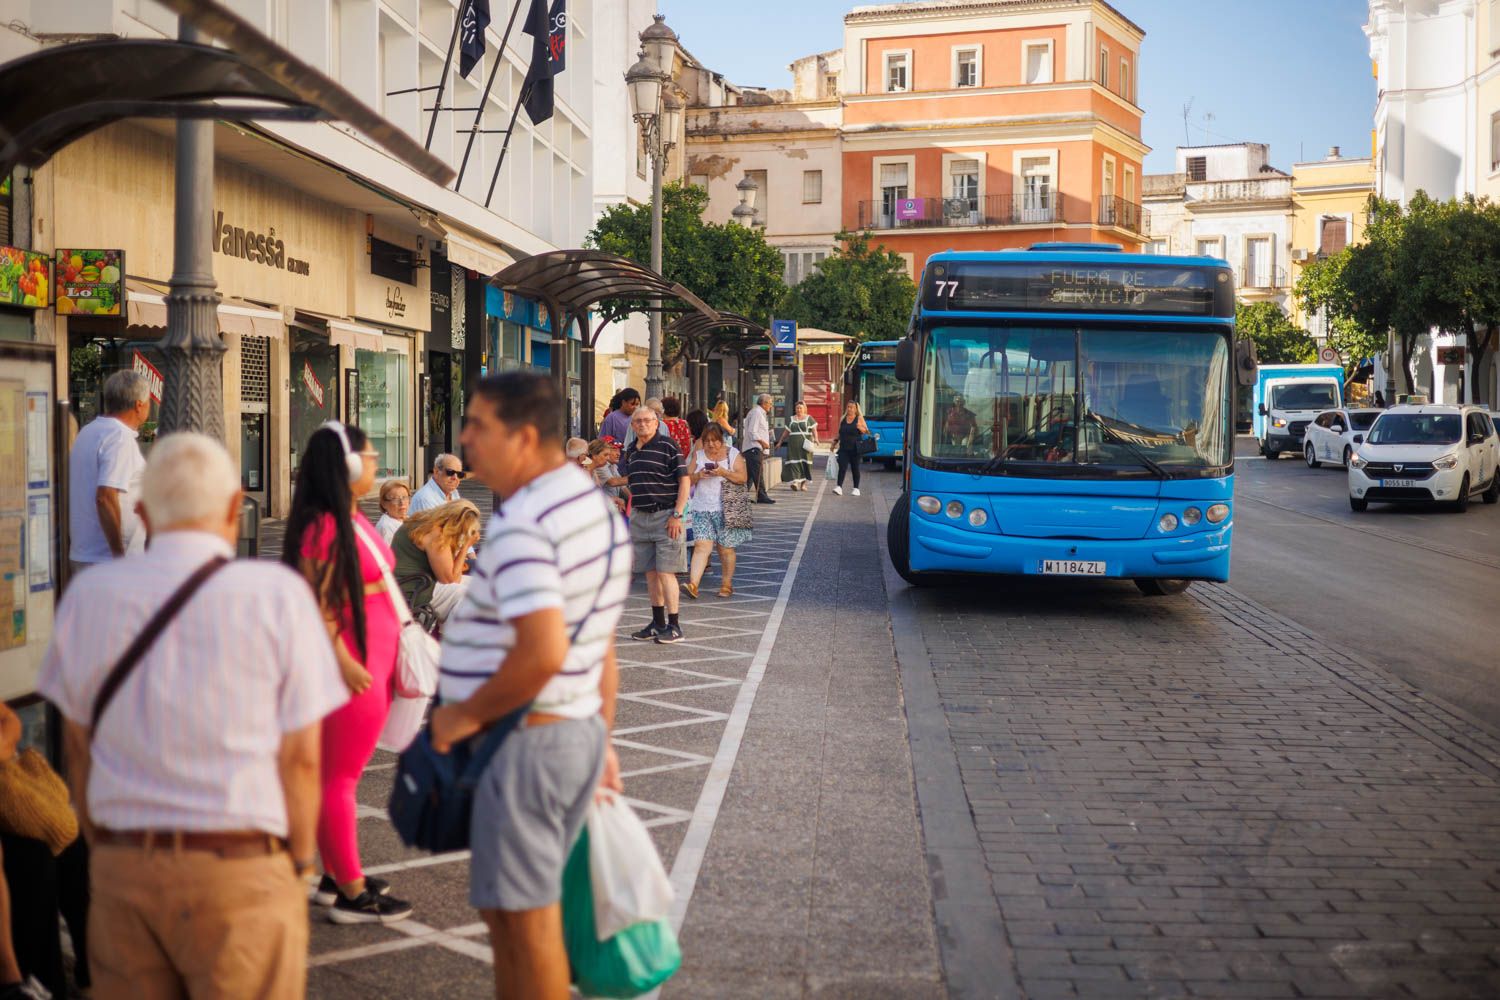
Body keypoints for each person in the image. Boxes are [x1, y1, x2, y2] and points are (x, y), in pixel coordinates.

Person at [37, 432, 347, 998]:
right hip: (240, 864)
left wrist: (106, 847)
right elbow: (303, 759)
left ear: (142, 512)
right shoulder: (277, 595)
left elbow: (76, 749)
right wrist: (300, 863)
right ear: (234, 508)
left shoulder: (89, 596)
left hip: (126, 865)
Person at [427, 371, 629, 1000]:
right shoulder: (585, 510)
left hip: (527, 743)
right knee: (518, 912)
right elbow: (600, 645)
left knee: (524, 922)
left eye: (479, 425)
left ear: (525, 435)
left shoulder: (523, 525)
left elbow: (542, 650)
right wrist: (601, 735)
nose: (466, 438)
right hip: (566, 734)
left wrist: (459, 719)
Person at [284, 423, 413, 924]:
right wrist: (344, 661)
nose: (378, 464)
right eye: (371, 456)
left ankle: (336, 876)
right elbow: (316, 604)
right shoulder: (325, 527)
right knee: (340, 779)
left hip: (370, 660)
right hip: (354, 666)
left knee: (338, 776)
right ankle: (352, 892)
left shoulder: (350, 519)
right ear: (348, 467)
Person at [68, 370, 150, 577]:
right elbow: (105, 496)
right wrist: (119, 556)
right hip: (107, 560)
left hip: (87, 555)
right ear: (139, 405)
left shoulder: (88, 432)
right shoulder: (119, 437)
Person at [619, 406, 690, 644]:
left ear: (656, 423)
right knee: (649, 573)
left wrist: (677, 514)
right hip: (640, 517)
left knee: (666, 572)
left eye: (647, 420)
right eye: (637, 421)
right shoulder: (631, 450)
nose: (642, 424)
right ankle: (657, 623)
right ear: (632, 426)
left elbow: (684, 481)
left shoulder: (669, 446)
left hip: (666, 516)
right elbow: (632, 480)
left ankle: (675, 626)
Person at [683, 424, 750, 600]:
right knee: (701, 546)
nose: (711, 445)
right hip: (701, 507)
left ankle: (726, 585)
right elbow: (686, 479)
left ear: (722, 440)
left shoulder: (732, 454)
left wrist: (723, 472)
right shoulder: (698, 455)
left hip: (725, 508)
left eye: (714, 441)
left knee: (725, 548)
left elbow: (742, 478)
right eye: (707, 442)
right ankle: (693, 585)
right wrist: (698, 476)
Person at [392, 500, 480, 626]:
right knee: (467, 595)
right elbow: (451, 580)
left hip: (404, 582)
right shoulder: (436, 534)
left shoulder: (423, 520)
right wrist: (466, 545)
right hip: (415, 588)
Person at [740, 393, 776, 504]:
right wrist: (763, 442)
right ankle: (761, 495)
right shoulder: (756, 413)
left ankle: (741, 496)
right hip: (753, 448)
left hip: (754, 448)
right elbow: (752, 431)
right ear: (764, 403)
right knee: (758, 472)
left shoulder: (760, 413)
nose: (771, 406)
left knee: (751, 474)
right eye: (770, 403)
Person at [779, 400, 818, 491]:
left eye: (800, 408)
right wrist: (780, 441)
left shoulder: (809, 418)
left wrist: (816, 438)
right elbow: (786, 432)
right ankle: (795, 482)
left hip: (805, 445)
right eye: (797, 408)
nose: (799, 410)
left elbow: (814, 430)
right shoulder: (792, 419)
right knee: (794, 463)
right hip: (793, 446)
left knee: (805, 464)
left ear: (804, 409)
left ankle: (803, 484)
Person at [833, 401, 869, 496]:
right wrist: (834, 443)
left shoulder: (859, 418)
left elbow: (867, 431)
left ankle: (856, 488)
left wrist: (860, 427)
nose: (849, 409)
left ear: (856, 409)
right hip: (844, 448)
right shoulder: (843, 419)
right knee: (842, 467)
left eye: (852, 407)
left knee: (855, 468)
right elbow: (839, 433)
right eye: (848, 407)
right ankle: (839, 487)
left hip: (855, 449)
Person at [588, 439, 628, 514]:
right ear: (594, 456)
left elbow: (622, 486)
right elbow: (613, 482)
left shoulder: (594, 470)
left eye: (619, 450)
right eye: (605, 455)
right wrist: (636, 476)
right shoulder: (588, 470)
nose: (618, 454)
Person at [375, 479, 412, 544]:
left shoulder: (407, 518)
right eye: (395, 499)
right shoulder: (386, 527)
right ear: (384, 503)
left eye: (404, 497)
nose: (402, 503)